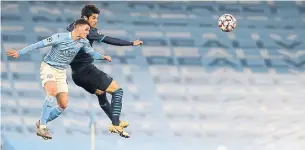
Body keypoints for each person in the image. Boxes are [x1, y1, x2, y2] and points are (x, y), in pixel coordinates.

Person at [6, 19, 111, 140]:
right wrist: (20, 52)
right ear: (78, 27)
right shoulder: (59, 37)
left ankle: (41, 122)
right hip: (49, 67)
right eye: (86, 30)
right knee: (52, 91)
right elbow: (38, 44)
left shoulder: (83, 42)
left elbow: (92, 54)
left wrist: (103, 57)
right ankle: (43, 127)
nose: (88, 33)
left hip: (61, 72)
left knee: (63, 104)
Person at [66, 4, 143, 138]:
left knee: (101, 93)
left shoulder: (73, 26)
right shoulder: (89, 32)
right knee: (118, 91)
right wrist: (131, 43)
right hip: (87, 71)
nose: (96, 21)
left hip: (76, 76)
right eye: (94, 18)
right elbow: (109, 40)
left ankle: (116, 122)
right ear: (85, 18)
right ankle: (115, 124)